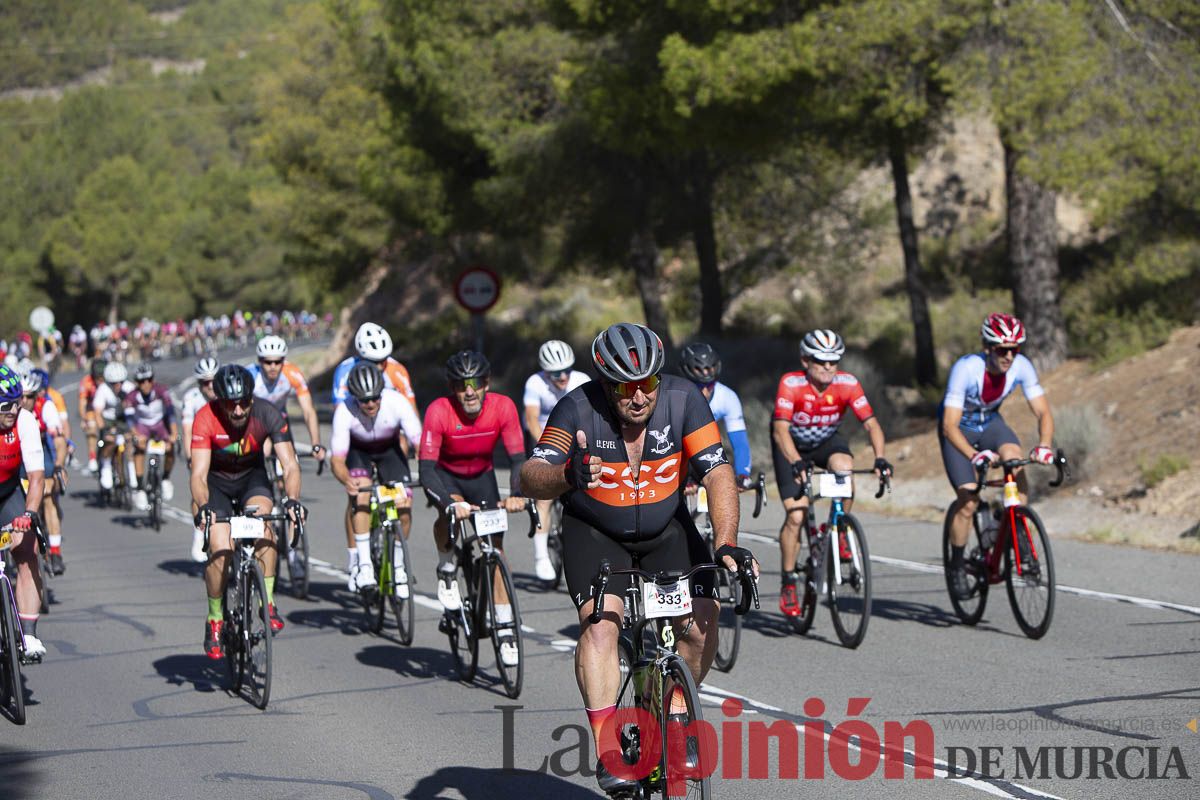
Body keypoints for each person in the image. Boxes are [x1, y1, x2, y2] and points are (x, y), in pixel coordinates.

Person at [520, 322, 757, 794]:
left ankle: (672, 713)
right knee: (602, 626)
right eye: (626, 387)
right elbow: (531, 475)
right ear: (605, 384)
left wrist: (726, 541)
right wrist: (567, 474)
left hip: (665, 527)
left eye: (647, 383)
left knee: (703, 618)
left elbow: (716, 471)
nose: (639, 397)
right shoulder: (577, 407)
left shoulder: (684, 399)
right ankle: (610, 745)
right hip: (596, 530)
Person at [771, 329, 892, 617]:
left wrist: (881, 458)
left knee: (845, 467)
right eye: (820, 361)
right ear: (805, 360)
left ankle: (839, 529)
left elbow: (872, 425)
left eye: (834, 361)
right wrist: (796, 461)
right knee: (797, 515)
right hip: (791, 445)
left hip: (825, 441)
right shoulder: (792, 383)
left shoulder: (848, 383)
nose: (827, 367)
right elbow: (780, 430)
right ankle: (789, 581)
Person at [419, 350, 527, 667]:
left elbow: (518, 458)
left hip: (483, 478)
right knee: (447, 514)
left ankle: (506, 629)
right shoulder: (438, 411)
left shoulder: (503, 407)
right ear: (452, 387)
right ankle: (446, 567)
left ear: (486, 383)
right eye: (461, 384)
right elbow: (426, 470)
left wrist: (518, 494)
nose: (469, 391)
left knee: (495, 552)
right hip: (446, 477)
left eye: (476, 382)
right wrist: (449, 502)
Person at [190, 365, 307, 659]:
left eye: (244, 402)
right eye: (232, 404)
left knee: (265, 529)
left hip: (251, 481)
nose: (239, 410)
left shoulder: (267, 413)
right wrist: (204, 506)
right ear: (219, 401)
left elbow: (290, 465)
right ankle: (215, 618)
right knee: (220, 548)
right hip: (215, 485)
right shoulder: (205, 418)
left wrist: (292, 499)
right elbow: (198, 474)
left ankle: (266, 602)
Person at [941, 313, 1055, 599]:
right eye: (1002, 350)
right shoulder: (966, 369)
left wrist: (1044, 444)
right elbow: (948, 425)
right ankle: (956, 565)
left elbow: (1043, 411)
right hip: (960, 431)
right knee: (968, 501)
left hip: (991, 424)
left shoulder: (1022, 367)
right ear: (987, 347)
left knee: (1014, 461)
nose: (1008, 356)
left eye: (1014, 350)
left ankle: (1014, 524)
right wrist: (973, 455)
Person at [330, 363, 422, 593]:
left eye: (374, 398)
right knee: (361, 496)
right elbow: (337, 460)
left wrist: (427, 469)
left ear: (382, 393)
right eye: (363, 400)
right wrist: (346, 480)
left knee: (403, 506)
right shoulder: (344, 411)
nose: (370, 404)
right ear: (354, 398)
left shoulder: (397, 402)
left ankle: (399, 567)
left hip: (389, 452)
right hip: (358, 453)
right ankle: (364, 566)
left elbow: (420, 442)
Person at [523, 339, 590, 581]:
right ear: (545, 371)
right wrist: (547, 450)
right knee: (546, 497)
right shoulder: (535, 383)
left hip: (575, 439)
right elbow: (531, 420)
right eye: (555, 373)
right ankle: (541, 555)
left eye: (566, 370)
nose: (562, 376)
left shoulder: (581, 380)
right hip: (544, 439)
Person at [0, 365, 49, 660]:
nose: (14, 410)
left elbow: (37, 478)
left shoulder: (25, 421)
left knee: (28, 549)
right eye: (6, 405)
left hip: (7, 493)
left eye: (18, 402)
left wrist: (29, 513)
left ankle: (28, 635)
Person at [679, 342, 754, 488]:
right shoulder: (676, 396)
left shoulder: (728, 397)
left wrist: (742, 474)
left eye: (710, 385)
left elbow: (740, 443)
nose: (706, 392)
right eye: (699, 386)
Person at [247, 334, 325, 463]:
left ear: (283, 360)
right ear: (259, 361)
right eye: (267, 362)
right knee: (263, 453)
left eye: (277, 362)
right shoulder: (251, 376)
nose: (273, 366)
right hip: (256, 419)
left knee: (290, 461)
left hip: (279, 418)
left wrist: (316, 444)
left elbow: (308, 411)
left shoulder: (292, 373)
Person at [19, 372, 67, 576]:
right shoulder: (11, 412)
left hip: (44, 458)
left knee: (47, 496)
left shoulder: (46, 407)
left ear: (37, 396)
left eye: (30, 396)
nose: (25, 401)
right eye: (21, 396)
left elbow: (59, 440)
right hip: (18, 461)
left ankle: (55, 552)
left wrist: (58, 465)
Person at [123, 363, 179, 511]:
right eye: (141, 381)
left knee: (171, 447)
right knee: (139, 448)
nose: (145, 384)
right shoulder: (132, 396)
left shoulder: (162, 391)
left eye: (148, 380)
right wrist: (136, 435)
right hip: (143, 427)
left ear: (152, 380)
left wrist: (173, 434)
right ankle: (141, 488)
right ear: (137, 382)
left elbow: (171, 414)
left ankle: (166, 478)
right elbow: (129, 421)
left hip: (160, 425)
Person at [93, 361, 135, 493]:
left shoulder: (129, 388)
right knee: (109, 441)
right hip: (108, 419)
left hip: (124, 418)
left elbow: (137, 409)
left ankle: (131, 469)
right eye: (114, 383)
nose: (117, 386)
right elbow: (98, 412)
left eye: (120, 382)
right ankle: (105, 466)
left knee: (130, 441)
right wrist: (104, 429)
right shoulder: (103, 389)